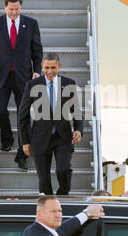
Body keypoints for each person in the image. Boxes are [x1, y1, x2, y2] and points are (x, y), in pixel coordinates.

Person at [0, 0, 43, 172]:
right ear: (5, 7)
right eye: (11, 9)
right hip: (2, 75)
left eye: (17, 9)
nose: (14, 13)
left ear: (20, 7)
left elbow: (37, 50)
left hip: (24, 76)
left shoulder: (31, 24)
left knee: (23, 116)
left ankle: (22, 154)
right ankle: (7, 140)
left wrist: (37, 71)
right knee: (0, 111)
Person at [18, 52, 83, 196]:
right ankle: (48, 206)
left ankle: (62, 196)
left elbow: (77, 111)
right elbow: (23, 116)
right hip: (40, 137)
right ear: (42, 66)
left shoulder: (69, 84)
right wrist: (25, 141)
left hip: (63, 137)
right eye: (46, 67)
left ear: (59, 66)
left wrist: (78, 129)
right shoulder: (32, 85)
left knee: (63, 170)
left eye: (53, 67)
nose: (50, 71)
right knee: (44, 179)